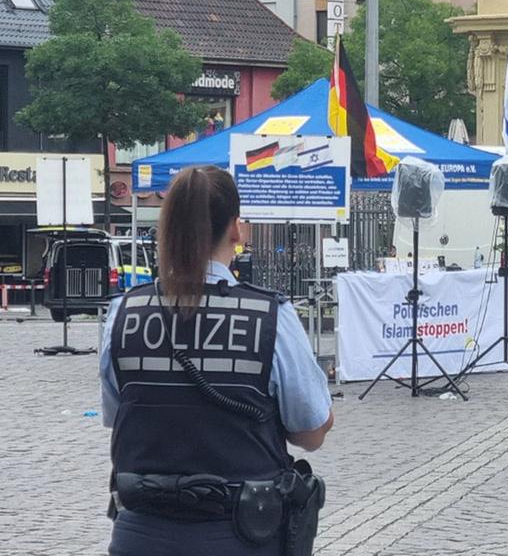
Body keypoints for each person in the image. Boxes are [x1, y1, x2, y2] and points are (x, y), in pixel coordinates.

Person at [99, 166, 334, 555]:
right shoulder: (270, 315)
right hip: (241, 534)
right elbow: (310, 433)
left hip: (141, 534)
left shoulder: (124, 312)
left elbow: (119, 414)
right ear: (236, 229)